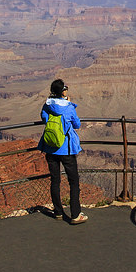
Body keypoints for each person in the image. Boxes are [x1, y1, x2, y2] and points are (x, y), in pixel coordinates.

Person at [38, 78, 87, 224]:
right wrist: (68, 103)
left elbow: (44, 119)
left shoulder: (47, 105)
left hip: (50, 148)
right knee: (73, 182)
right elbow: (77, 124)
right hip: (66, 150)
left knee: (55, 181)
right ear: (62, 92)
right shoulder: (68, 107)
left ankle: (58, 212)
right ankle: (75, 215)